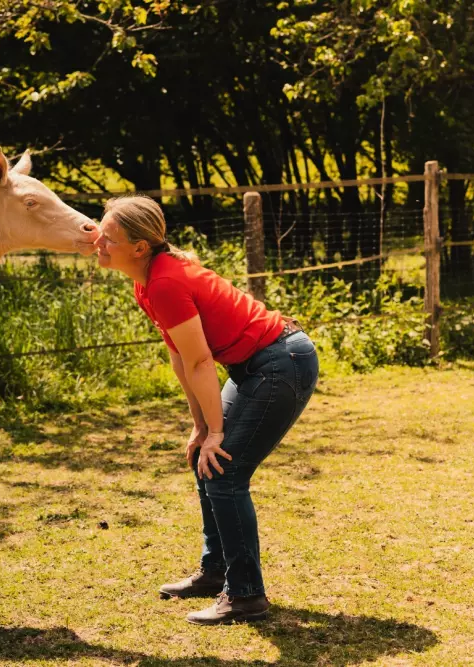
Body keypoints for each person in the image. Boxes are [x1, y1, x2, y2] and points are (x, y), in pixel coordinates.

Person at [94, 195, 319, 625]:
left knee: (226, 472)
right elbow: (182, 357)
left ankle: (247, 595)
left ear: (140, 247)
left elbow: (200, 362)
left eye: (108, 237)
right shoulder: (147, 282)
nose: (98, 242)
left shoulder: (164, 282)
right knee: (207, 460)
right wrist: (201, 428)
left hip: (280, 361)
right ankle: (217, 571)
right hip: (260, 363)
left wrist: (217, 432)